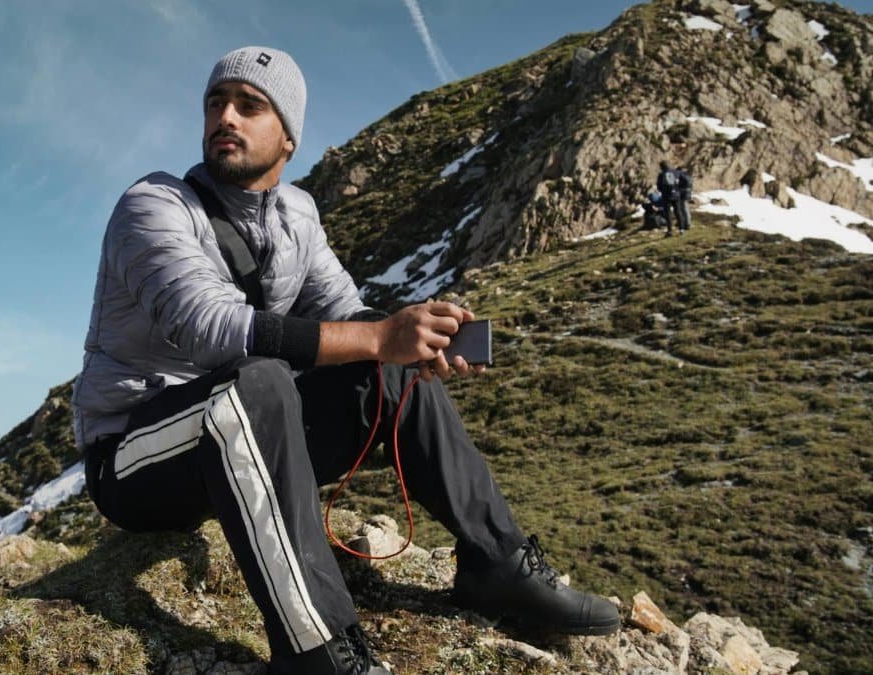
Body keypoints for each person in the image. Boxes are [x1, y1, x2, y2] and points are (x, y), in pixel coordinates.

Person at [72, 46, 620, 675]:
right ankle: (318, 652)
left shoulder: (297, 216)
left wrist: (415, 344)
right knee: (263, 380)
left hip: (245, 444)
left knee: (384, 363)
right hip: (136, 456)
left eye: (250, 106)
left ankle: (496, 562)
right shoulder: (154, 205)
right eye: (216, 103)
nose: (226, 117)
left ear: (288, 137)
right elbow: (209, 328)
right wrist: (380, 337)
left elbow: (350, 316)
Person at [656, 160, 688, 236]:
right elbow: (686, 181)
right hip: (676, 195)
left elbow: (659, 186)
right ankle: (681, 229)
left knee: (668, 213)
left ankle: (670, 230)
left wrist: (663, 190)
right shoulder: (676, 172)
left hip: (666, 196)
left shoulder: (661, 175)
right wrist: (679, 189)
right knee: (678, 212)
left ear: (661, 167)